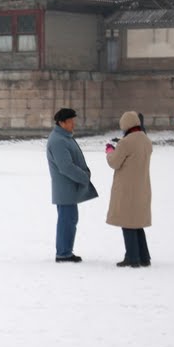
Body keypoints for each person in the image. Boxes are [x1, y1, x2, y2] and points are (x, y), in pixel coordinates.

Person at [46, 108, 98, 263]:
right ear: (61, 123)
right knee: (67, 221)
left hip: (68, 188)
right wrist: (84, 177)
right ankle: (63, 253)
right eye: (70, 121)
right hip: (65, 188)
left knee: (69, 220)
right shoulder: (58, 140)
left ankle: (65, 251)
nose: (73, 124)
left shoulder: (64, 137)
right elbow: (65, 166)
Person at [106, 111, 153, 268]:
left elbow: (114, 162)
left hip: (127, 188)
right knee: (137, 223)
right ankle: (144, 257)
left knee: (127, 222)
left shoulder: (125, 143)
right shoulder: (146, 140)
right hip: (142, 186)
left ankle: (132, 257)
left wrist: (109, 151)